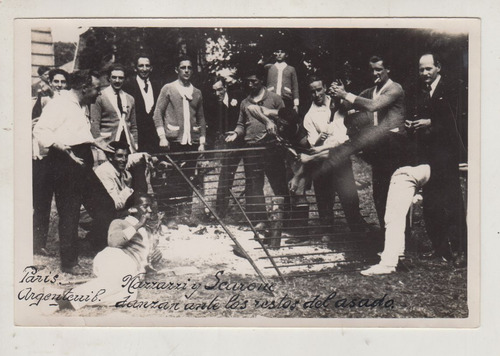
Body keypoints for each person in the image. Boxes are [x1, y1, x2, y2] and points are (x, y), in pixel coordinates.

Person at [33, 70, 115, 274]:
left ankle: (96, 247)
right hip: (65, 163)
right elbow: (40, 130)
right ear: (84, 87)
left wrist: (94, 142)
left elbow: (74, 132)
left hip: (82, 160)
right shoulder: (59, 103)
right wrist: (62, 148)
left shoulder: (78, 104)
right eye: (97, 88)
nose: (99, 93)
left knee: (105, 205)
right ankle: (69, 263)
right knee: (69, 212)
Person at [330, 55, 408, 229]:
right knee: (379, 194)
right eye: (372, 69)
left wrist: (346, 94)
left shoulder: (395, 88)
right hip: (380, 147)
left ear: (388, 70)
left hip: (395, 146)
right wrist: (337, 95)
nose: (375, 73)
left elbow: (373, 106)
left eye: (379, 69)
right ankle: (386, 234)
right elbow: (345, 107)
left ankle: (405, 239)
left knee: (396, 194)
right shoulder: (370, 91)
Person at [408, 53, 467, 266]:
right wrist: (413, 125)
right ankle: (439, 248)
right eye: (421, 69)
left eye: (428, 69)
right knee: (431, 203)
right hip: (428, 157)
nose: (424, 73)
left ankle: (461, 251)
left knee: (452, 202)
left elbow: (458, 122)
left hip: (447, 155)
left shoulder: (453, 88)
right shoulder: (422, 92)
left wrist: (430, 123)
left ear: (438, 67)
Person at [56, 195, 163, 310]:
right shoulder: (120, 222)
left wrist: (152, 258)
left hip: (130, 266)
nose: (150, 210)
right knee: (117, 282)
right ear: (132, 209)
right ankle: (64, 301)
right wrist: (138, 225)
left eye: (150, 207)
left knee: (128, 296)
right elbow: (114, 242)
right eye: (145, 206)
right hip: (115, 258)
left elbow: (143, 260)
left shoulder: (145, 231)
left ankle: (67, 295)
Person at [226, 65, 288, 230]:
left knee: (279, 183)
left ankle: (287, 220)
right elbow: (241, 125)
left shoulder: (275, 99)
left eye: (253, 81)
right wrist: (235, 133)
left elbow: (285, 121)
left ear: (261, 81)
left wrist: (276, 130)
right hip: (251, 148)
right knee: (253, 185)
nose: (250, 85)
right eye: (247, 82)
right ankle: (259, 221)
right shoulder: (244, 102)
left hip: (271, 147)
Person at [303, 75, 366, 235]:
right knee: (324, 199)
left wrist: (343, 93)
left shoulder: (337, 104)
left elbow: (346, 131)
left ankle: (358, 234)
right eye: (312, 91)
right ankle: (327, 234)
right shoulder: (309, 116)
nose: (316, 94)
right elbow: (314, 146)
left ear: (324, 88)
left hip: (341, 158)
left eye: (319, 90)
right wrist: (322, 137)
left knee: (349, 197)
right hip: (322, 160)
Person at [152, 56, 206, 223]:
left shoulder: (196, 92)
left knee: (189, 179)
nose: (187, 70)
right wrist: (162, 136)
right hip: (173, 142)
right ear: (177, 69)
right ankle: (170, 216)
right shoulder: (168, 88)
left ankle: (185, 215)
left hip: (191, 142)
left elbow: (201, 118)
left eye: (189, 67)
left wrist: (202, 141)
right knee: (172, 179)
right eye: (183, 67)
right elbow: (157, 114)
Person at [32, 68, 70, 256]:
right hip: (44, 156)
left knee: (64, 201)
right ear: (51, 83)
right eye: (56, 82)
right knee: (42, 200)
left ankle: (65, 241)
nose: (60, 86)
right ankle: (38, 243)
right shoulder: (44, 100)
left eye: (63, 82)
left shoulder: (70, 103)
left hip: (62, 157)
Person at [211, 78, 245, 217]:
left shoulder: (237, 97)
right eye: (214, 91)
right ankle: (221, 211)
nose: (217, 93)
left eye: (220, 89)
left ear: (225, 87)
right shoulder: (214, 104)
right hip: (229, 143)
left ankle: (253, 213)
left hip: (244, 139)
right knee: (225, 174)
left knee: (252, 174)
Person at [90, 63, 138, 158]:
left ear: (124, 79)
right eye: (114, 77)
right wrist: (100, 147)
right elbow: (94, 125)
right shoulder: (100, 97)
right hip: (108, 144)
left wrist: (135, 143)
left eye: (120, 78)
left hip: (127, 144)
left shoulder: (130, 98)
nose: (117, 81)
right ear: (109, 78)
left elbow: (133, 126)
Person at [94, 140, 151, 216]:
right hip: (95, 214)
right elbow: (115, 205)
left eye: (126, 156)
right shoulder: (104, 172)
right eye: (120, 156)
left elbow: (131, 159)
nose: (124, 160)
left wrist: (144, 155)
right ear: (110, 157)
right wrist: (128, 187)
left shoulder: (116, 164)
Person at [122, 53, 163, 153]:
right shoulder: (128, 86)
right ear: (135, 68)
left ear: (151, 68)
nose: (144, 69)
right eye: (141, 66)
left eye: (147, 66)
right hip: (137, 138)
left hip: (155, 138)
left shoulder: (158, 86)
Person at [265, 47, 300, 113]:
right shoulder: (269, 68)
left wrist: (296, 104)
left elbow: (295, 87)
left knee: (284, 119)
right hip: (271, 98)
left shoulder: (291, 69)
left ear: (286, 55)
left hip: (286, 99)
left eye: (282, 52)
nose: (279, 54)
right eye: (278, 52)